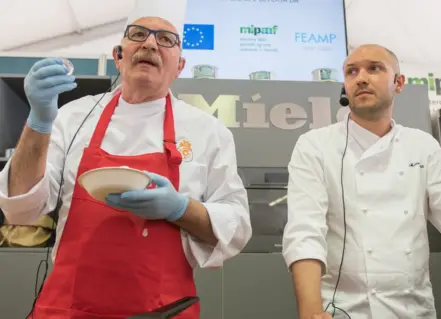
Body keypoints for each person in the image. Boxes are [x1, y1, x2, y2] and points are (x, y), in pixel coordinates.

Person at [0, 0, 252, 318]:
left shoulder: (209, 132)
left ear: (180, 66)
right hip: (67, 309)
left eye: (165, 38)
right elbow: (20, 208)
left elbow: (237, 227)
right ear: (119, 56)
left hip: (163, 310)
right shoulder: (73, 117)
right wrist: (38, 123)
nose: (149, 43)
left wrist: (180, 208)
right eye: (138, 34)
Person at [282, 44, 441, 319]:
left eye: (374, 68)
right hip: (341, 310)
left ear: (398, 83)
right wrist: (311, 312)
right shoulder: (315, 145)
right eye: (352, 72)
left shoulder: (422, 146)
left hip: (412, 309)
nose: (361, 77)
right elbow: (304, 231)